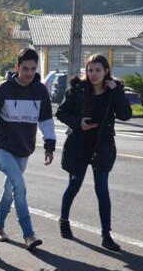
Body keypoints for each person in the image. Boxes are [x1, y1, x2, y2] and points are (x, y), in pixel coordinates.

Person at [56, 54, 132, 251]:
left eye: (98, 70)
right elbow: (61, 113)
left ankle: (106, 235)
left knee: (102, 190)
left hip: (102, 147)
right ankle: (64, 220)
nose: (94, 74)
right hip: (79, 145)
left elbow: (125, 115)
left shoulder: (113, 91)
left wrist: (116, 91)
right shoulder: (77, 89)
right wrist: (78, 123)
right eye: (90, 70)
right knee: (74, 185)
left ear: (106, 71)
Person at [0, 48, 56, 250]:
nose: (29, 73)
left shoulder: (40, 91)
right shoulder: (4, 89)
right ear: (17, 68)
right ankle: (29, 234)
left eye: (33, 69)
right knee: (20, 187)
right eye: (25, 69)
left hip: (25, 149)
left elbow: (46, 121)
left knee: (10, 189)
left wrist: (49, 146)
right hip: (4, 147)